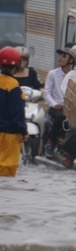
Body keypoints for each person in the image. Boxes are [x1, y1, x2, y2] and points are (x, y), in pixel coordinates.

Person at [0, 47, 29, 176]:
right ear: (16, 65)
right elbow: (17, 113)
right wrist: (23, 131)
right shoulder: (13, 85)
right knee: (7, 168)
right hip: (9, 134)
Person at [43, 48, 76, 157]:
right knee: (61, 117)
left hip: (71, 109)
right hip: (57, 108)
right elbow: (47, 92)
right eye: (60, 55)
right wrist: (54, 104)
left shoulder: (75, 76)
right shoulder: (52, 74)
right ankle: (51, 142)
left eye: (64, 56)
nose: (60, 58)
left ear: (71, 60)